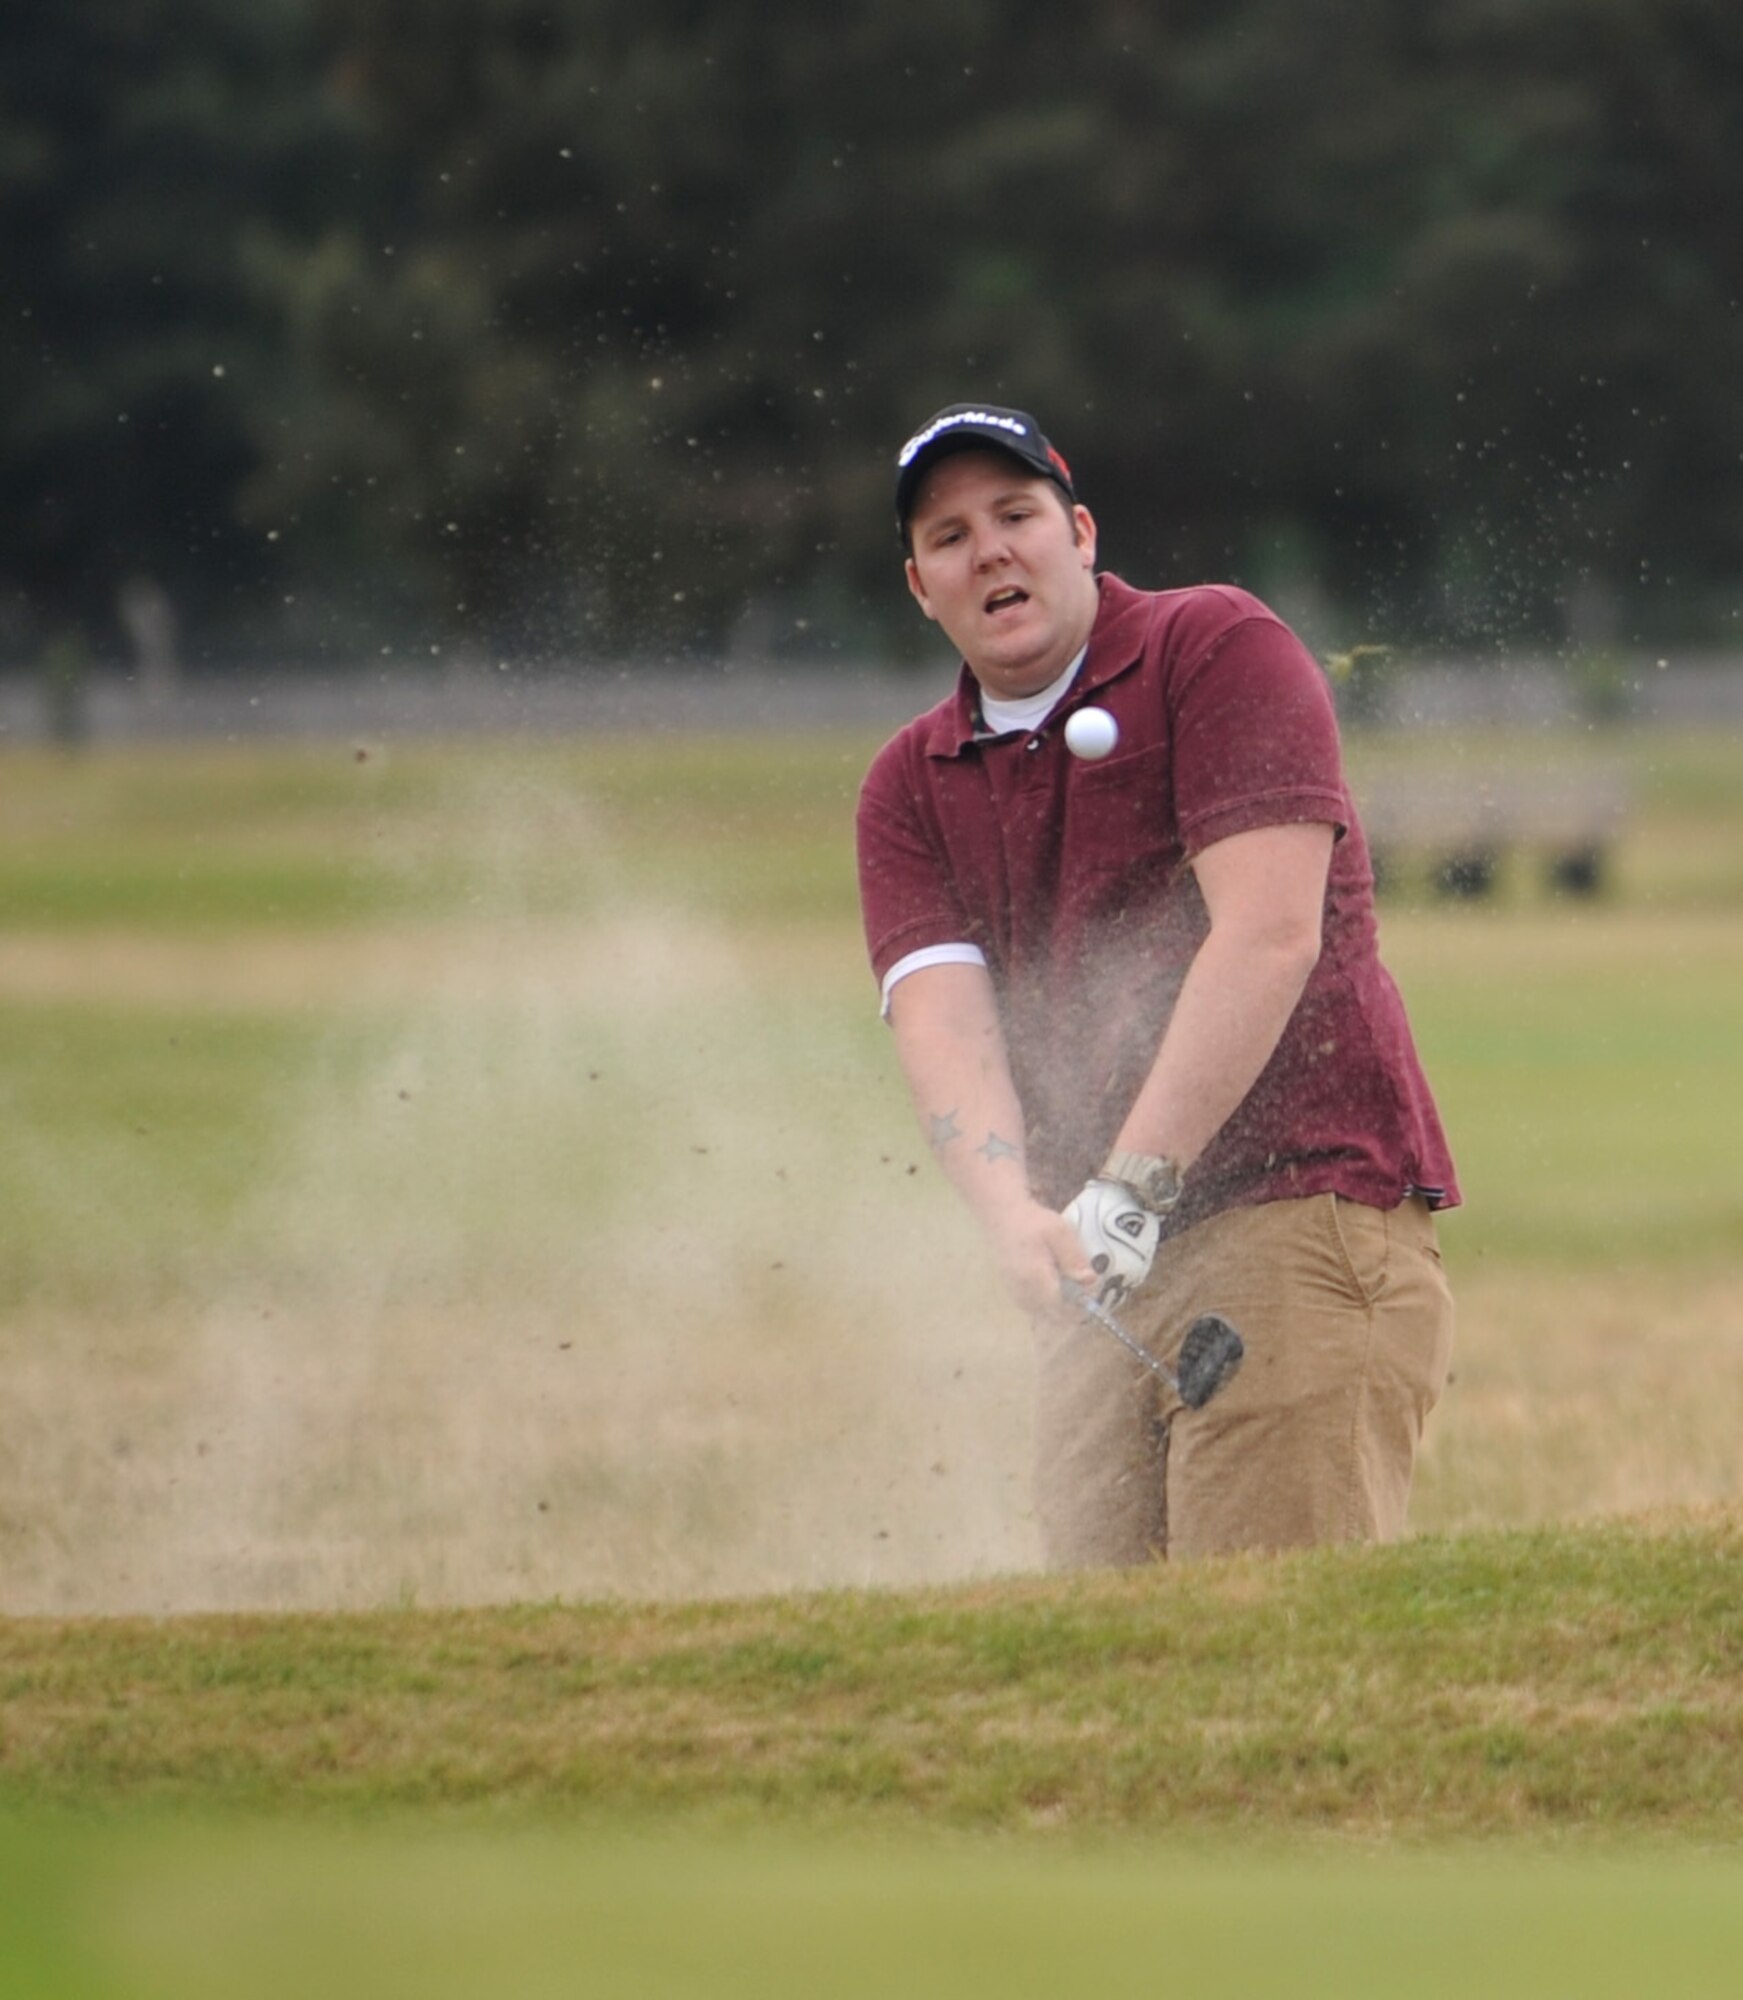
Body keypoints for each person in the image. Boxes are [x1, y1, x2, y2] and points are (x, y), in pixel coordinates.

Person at [855, 402, 1458, 1563]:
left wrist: (1135, 1177)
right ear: (921, 589)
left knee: (1268, 1658)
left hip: (1292, 1210)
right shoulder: (908, 782)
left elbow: (1270, 934)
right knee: (1114, 1673)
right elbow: (944, 1019)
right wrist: (1013, 1217)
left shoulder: (1214, 646)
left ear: (1079, 532)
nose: (990, 549)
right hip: (1100, 1268)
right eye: (949, 535)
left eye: (1016, 514)